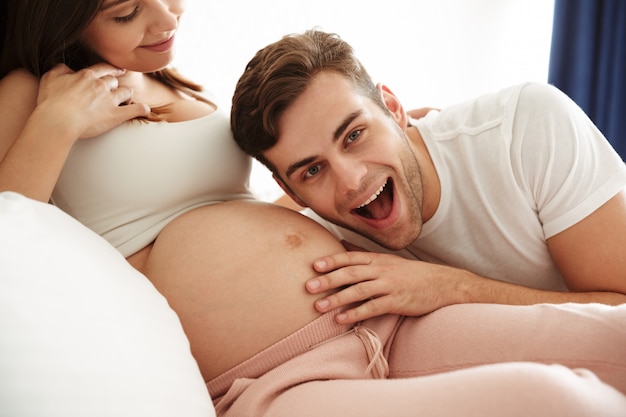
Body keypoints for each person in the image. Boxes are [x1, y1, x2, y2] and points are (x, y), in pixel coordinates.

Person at [1, 4, 625, 415]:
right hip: (280, 379)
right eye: (125, 11)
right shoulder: (36, 92)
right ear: (66, 16)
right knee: (556, 401)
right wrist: (56, 124)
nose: (163, 16)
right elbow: (11, 233)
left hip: (385, 321)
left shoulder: (172, 77)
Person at [230, 29, 626, 326]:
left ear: (393, 109)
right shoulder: (318, 236)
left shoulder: (524, 127)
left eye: (354, 135)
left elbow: (622, 306)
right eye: (313, 170)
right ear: (291, 190)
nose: (350, 181)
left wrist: (455, 289)